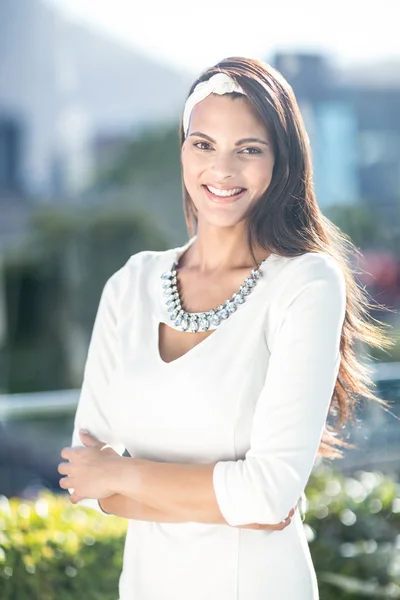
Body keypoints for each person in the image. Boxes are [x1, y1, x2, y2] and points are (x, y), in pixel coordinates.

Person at [58, 57, 394, 600]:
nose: (223, 169)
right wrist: (235, 501)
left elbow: (268, 496)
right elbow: (85, 481)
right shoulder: (132, 282)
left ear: (281, 162)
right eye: (204, 144)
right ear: (183, 150)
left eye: (249, 149)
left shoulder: (306, 283)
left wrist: (120, 475)